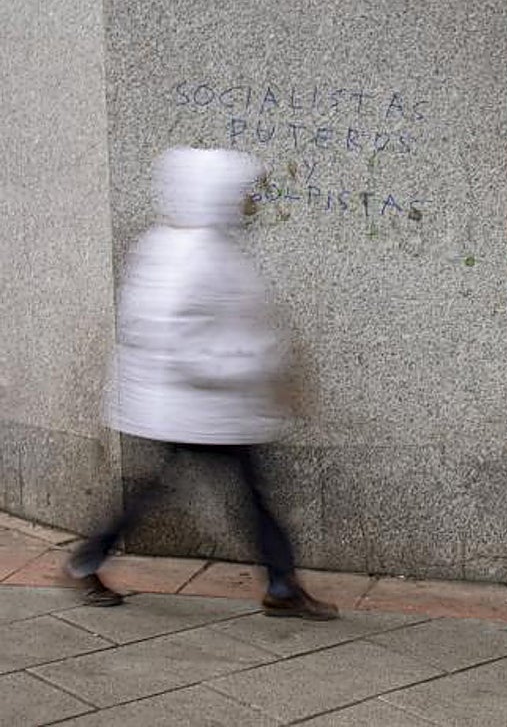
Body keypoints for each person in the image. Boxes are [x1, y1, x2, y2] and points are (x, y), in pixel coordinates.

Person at [67, 147, 336, 620]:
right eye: (244, 195)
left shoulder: (200, 245)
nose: (253, 204)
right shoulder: (193, 254)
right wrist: (258, 365)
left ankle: (88, 560)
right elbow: (179, 345)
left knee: (199, 491)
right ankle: (280, 584)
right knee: (248, 495)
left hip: (207, 410)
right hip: (196, 408)